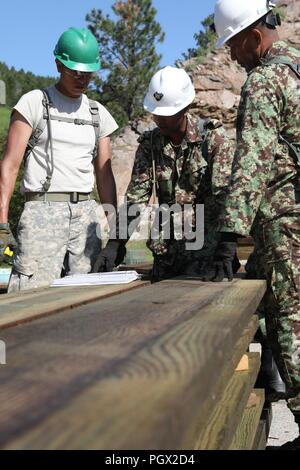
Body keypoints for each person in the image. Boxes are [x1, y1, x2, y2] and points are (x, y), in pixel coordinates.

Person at [205, 0, 300, 448]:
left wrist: (227, 236)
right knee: (258, 293)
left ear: (254, 37)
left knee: (290, 322)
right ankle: (268, 377)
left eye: (233, 46)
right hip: (286, 227)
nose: (231, 56)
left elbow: (251, 163)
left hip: (285, 226)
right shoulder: (297, 67)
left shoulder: (265, 81)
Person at [0, 27, 118, 291]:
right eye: (74, 71)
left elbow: (105, 176)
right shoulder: (33, 104)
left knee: (89, 296)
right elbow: (9, 165)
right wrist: (2, 223)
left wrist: (115, 231)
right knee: (29, 294)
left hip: (87, 216)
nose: (81, 78)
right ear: (58, 64)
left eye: (87, 73)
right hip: (42, 212)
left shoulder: (99, 115)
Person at [93, 66, 237, 280]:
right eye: (156, 113)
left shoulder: (213, 139)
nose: (160, 120)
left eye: (167, 114)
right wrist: (115, 243)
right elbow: (136, 201)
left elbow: (227, 195)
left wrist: (227, 246)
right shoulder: (150, 145)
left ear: (185, 107)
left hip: (208, 258)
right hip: (167, 257)